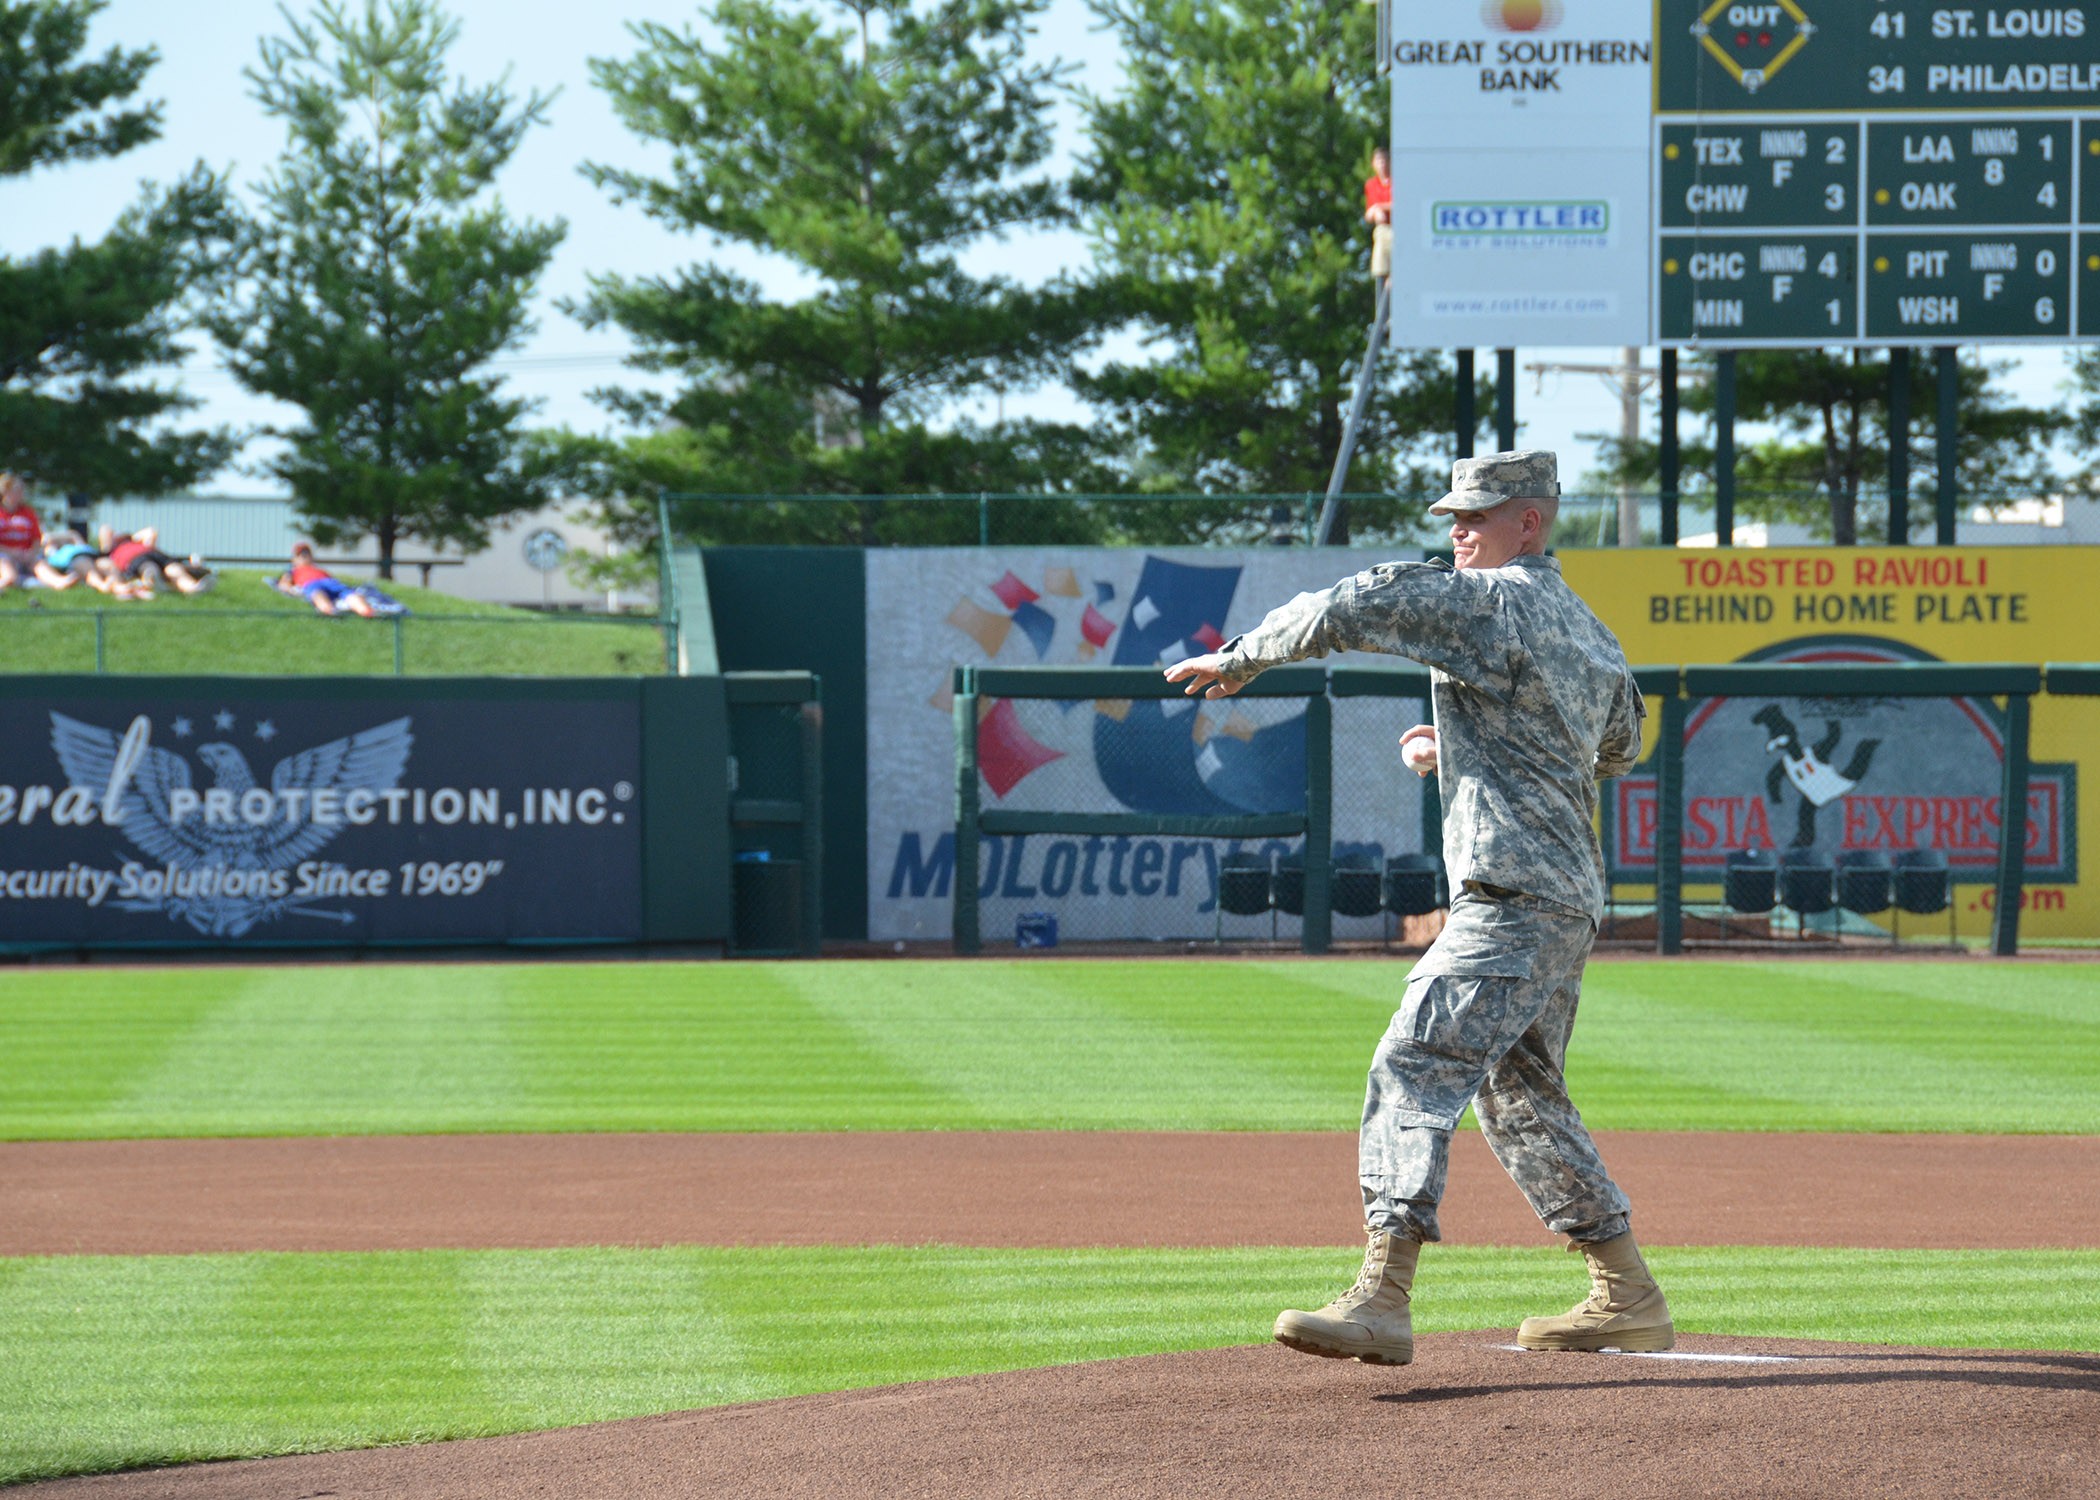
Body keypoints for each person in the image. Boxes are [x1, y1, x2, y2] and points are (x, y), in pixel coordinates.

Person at [1163, 449, 1669, 1366]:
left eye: (1478, 514)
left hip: (1511, 897)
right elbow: (1619, 742)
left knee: (1413, 1062)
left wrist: (1243, 659)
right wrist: (1477, 743)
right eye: (1453, 516)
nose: (1457, 530)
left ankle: (1382, 1296)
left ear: (1533, 522)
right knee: (1521, 1097)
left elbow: (1356, 601)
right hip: (1565, 896)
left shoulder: (1493, 600)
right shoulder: (1591, 630)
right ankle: (1626, 1293)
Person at [98, 525, 216, 596]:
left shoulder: (137, 542)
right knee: (149, 568)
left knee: (174, 569)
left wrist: (130, 537)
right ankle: (156, 582)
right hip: (134, 559)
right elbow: (105, 529)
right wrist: (117, 539)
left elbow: (151, 531)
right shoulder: (109, 552)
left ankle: (192, 588)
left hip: (155, 553)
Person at [271, 543, 378, 617]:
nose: (304, 556)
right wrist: (290, 589)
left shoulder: (320, 570)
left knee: (350, 594)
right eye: (300, 555)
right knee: (317, 594)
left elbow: (332, 578)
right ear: (294, 559)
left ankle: (366, 611)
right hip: (311, 584)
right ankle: (329, 611)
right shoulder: (292, 571)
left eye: (306, 554)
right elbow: (284, 583)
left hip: (330, 582)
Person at [0, 472, 43, 591]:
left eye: (21, 490)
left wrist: (31, 552)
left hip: (25, 555)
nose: (20, 494)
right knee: (7, 568)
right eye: (16, 490)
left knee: (38, 563)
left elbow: (36, 538)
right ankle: (7, 581)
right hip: (4, 555)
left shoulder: (28, 512)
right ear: (5, 491)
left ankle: (58, 582)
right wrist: (11, 552)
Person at [1364, 145, 1393, 300]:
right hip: (1383, 229)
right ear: (1373, 164)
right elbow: (1369, 214)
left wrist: (1379, 207)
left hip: (1398, 228)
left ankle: (1390, 278)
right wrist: (1375, 211)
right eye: (1379, 161)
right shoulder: (1371, 184)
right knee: (1380, 236)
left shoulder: (1396, 182)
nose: (1382, 164)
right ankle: (1383, 277)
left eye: (1384, 160)